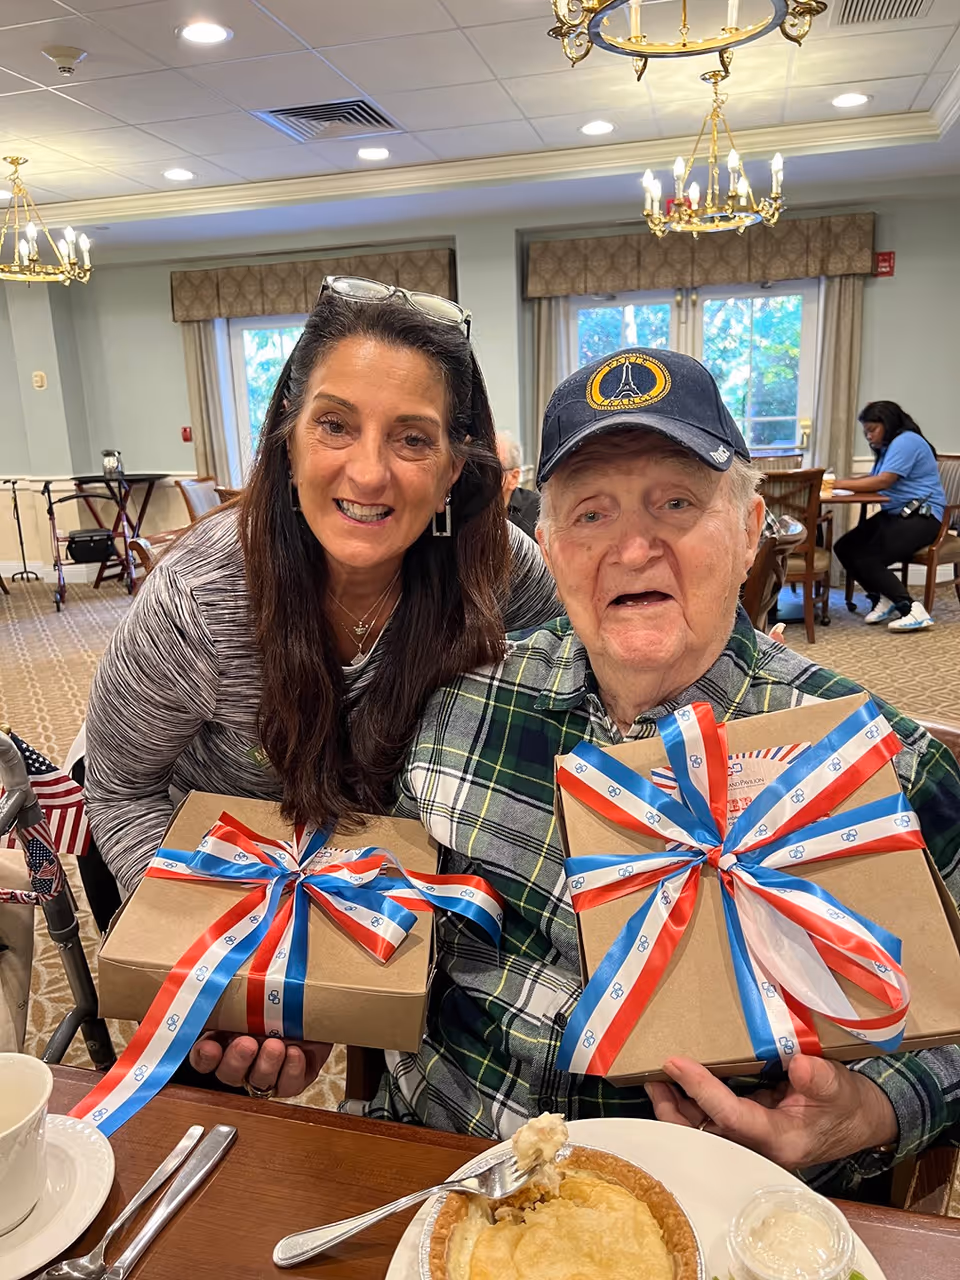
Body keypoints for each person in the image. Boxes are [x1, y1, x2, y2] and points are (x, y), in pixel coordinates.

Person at [369, 348, 960, 1198]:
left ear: (753, 528)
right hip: (449, 1181)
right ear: (549, 545)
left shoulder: (876, 766)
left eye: (677, 503)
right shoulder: (458, 716)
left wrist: (869, 1109)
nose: (635, 547)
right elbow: (387, 937)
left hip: (718, 1208)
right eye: (592, 514)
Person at [83, 276, 559, 1100]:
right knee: (235, 1131)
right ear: (288, 441)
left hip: (388, 876)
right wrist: (234, 972)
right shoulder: (199, 598)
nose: (368, 473)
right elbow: (122, 786)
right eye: (335, 425)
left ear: (455, 469)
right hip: (204, 867)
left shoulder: (504, 576)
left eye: (412, 439)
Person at [833, 401, 946, 632]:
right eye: (865, 432)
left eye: (872, 430)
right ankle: (882, 597)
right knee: (845, 547)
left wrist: (834, 484)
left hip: (923, 518)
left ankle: (912, 609)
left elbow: (884, 481)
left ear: (888, 423)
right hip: (898, 514)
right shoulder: (888, 448)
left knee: (867, 557)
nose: (868, 437)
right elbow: (875, 481)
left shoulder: (907, 441)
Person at [496, 431, 540, 538]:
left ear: (514, 477)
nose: (484, 476)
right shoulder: (469, 508)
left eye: (493, 469)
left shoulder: (538, 511)